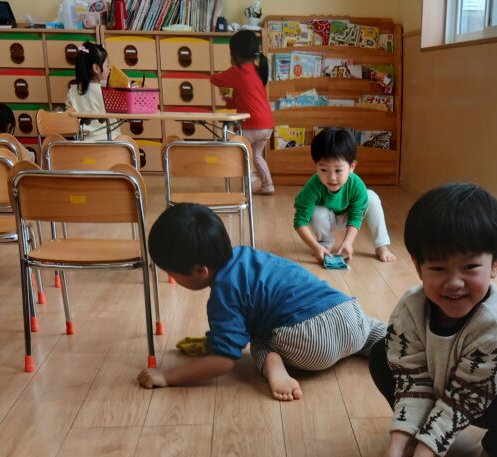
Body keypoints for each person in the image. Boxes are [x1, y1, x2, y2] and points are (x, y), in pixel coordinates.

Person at [368, 183, 497, 457]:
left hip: (485, 399)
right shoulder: (410, 309)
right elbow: (411, 379)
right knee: (379, 353)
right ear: (418, 266)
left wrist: (426, 454)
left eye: (470, 267)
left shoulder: (496, 325)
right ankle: (418, 429)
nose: (454, 282)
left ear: (496, 263)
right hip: (433, 387)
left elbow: (466, 398)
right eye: (438, 268)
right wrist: (398, 441)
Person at [136, 203, 387, 401]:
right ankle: (397, 343)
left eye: (171, 272)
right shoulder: (246, 254)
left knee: (258, 338)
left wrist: (167, 376)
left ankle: (273, 365)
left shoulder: (223, 295)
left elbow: (224, 361)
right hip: (348, 314)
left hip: (311, 345)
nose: (170, 276)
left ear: (200, 271)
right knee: (369, 329)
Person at [293, 127, 396, 264]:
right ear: (316, 165)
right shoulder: (313, 186)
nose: (331, 177)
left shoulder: (356, 184)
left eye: (338, 170)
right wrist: (314, 246)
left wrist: (348, 243)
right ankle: (324, 244)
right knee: (317, 210)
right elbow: (300, 221)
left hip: (348, 215)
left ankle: (381, 245)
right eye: (323, 169)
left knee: (371, 197)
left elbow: (356, 215)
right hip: (326, 218)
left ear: (352, 167)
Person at [209, 29, 275, 195]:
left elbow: (214, 79)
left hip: (252, 125)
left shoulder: (237, 71)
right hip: (267, 124)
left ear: (235, 54)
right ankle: (268, 185)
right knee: (256, 155)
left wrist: (223, 84)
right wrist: (229, 98)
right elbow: (241, 98)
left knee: (236, 149)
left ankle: (251, 180)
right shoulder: (256, 70)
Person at [67, 42, 111, 141]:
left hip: (81, 144)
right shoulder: (107, 91)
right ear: (96, 68)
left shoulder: (72, 91)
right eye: (107, 66)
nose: (109, 70)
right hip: (110, 142)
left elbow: (67, 118)